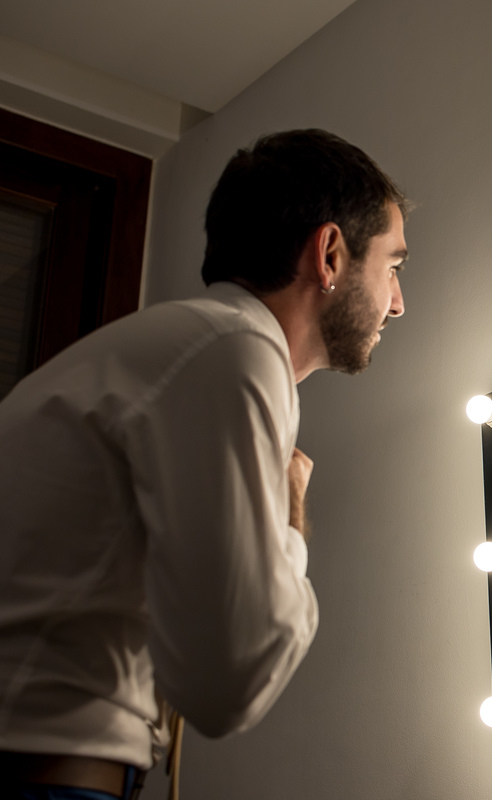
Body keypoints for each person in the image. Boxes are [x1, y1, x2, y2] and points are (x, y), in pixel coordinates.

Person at [0, 129, 410, 798]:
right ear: (330, 253)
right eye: (393, 265)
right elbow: (230, 682)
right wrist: (292, 517)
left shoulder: (184, 345)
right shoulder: (233, 351)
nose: (397, 302)